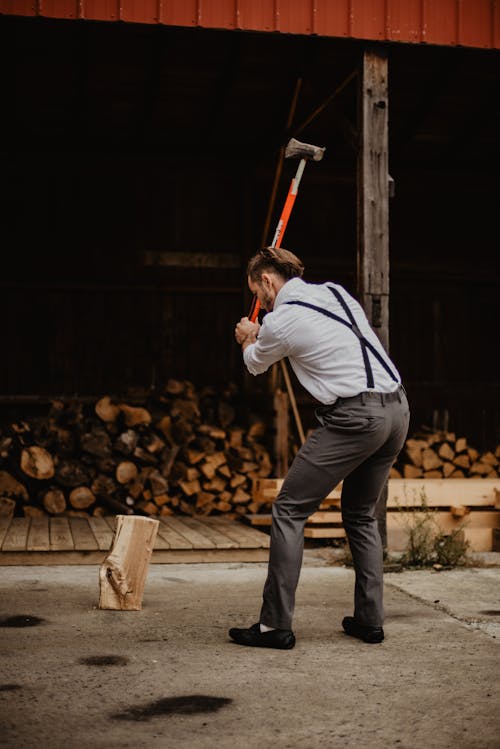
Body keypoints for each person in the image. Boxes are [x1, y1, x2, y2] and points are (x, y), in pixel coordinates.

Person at [230, 246, 410, 649]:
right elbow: (314, 337)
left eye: (257, 293)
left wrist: (247, 337)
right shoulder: (336, 293)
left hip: (356, 417)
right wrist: (264, 333)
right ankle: (369, 621)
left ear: (267, 281)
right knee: (361, 514)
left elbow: (256, 363)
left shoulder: (282, 319)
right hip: (397, 408)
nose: (258, 302)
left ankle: (274, 626)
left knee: (289, 509)